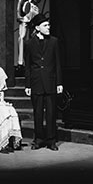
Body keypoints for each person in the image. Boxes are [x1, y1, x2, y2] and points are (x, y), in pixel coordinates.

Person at [23, 13, 63, 151]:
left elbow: (58, 63)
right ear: (37, 27)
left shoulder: (54, 41)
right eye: (45, 25)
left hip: (51, 82)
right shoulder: (29, 43)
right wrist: (28, 84)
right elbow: (28, 66)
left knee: (51, 113)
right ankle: (39, 139)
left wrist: (59, 83)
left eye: (48, 25)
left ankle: (51, 140)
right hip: (36, 82)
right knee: (38, 113)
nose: (48, 27)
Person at [6, 0, 41, 69]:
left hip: (33, 12)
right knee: (22, 37)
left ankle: (33, 61)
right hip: (23, 12)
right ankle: (20, 62)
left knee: (33, 37)